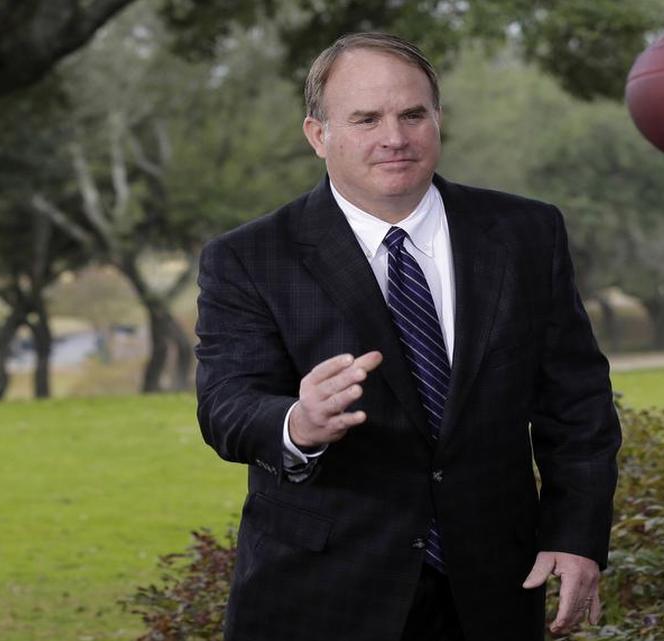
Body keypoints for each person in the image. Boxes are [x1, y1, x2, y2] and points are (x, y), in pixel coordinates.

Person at [194, 32, 621, 641]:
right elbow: (226, 405)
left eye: (412, 114)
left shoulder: (525, 233)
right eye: (366, 118)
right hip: (321, 595)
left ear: (438, 120)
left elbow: (577, 405)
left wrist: (576, 537)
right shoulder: (250, 257)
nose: (395, 137)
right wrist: (298, 421)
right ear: (319, 135)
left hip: (493, 590)